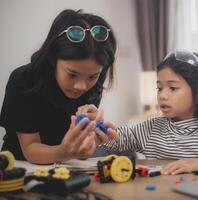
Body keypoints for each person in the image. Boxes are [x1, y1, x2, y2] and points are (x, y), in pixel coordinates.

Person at [95, 50, 198, 175]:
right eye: (159, 88)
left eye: (173, 88)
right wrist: (97, 128)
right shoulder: (151, 129)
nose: (162, 95)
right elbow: (118, 139)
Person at [0, 9, 117, 164]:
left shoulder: (93, 86)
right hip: (18, 166)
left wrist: (89, 141)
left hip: (64, 164)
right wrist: (65, 152)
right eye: (72, 74)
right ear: (53, 58)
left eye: (92, 76)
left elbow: (79, 154)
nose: (81, 86)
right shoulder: (24, 80)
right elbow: (30, 149)